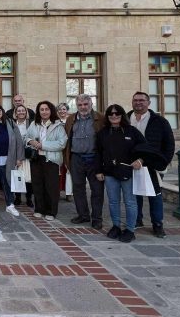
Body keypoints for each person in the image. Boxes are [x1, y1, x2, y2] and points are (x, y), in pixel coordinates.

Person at [96, 104, 146, 243]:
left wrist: (140, 160)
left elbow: (144, 148)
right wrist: (99, 170)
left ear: (122, 115)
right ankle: (116, 226)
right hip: (110, 173)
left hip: (127, 172)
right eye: (111, 114)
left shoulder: (132, 131)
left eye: (117, 113)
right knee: (113, 201)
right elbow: (98, 153)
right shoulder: (103, 133)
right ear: (107, 116)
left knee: (130, 202)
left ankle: (130, 229)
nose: (114, 116)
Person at [129, 91, 175, 237]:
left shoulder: (159, 121)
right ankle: (137, 220)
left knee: (155, 195)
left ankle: (157, 224)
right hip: (131, 164)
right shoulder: (126, 118)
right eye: (136, 100)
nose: (138, 103)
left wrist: (163, 162)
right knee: (134, 194)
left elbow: (169, 144)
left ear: (148, 103)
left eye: (142, 100)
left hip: (152, 164)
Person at [64, 94, 106, 230]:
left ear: (91, 104)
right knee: (78, 188)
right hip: (76, 158)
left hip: (94, 158)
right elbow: (67, 139)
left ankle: (97, 218)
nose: (83, 107)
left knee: (97, 189)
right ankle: (83, 215)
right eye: (80, 105)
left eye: (85, 104)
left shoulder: (100, 118)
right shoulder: (71, 119)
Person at [25, 101, 67, 220]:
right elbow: (26, 137)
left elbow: (61, 143)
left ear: (51, 110)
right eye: (42, 109)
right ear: (38, 112)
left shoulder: (58, 125)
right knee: (37, 185)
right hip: (36, 158)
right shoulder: (34, 124)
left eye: (46, 109)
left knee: (51, 187)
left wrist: (43, 145)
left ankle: (51, 212)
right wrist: (30, 141)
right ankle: (39, 209)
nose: (44, 112)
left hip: (51, 160)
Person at [12, 105, 34, 208]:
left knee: (28, 178)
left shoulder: (31, 123)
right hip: (16, 154)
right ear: (15, 113)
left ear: (26, 112)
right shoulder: (12, 124)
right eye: (19, 111)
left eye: (23, 111)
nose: (21, 112)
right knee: (17, 176)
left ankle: (29, 198)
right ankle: (18, 197)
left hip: (28, 155)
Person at [56, 102, 71, 195]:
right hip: (57, 149)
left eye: (64, 109)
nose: (62, 111)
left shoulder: (70, 121)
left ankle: (69, 192)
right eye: (60, 109)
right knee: (58, 171)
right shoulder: (55, 122)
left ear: (67, 110)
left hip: (68, 149)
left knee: (68, 170)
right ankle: (57, 191)